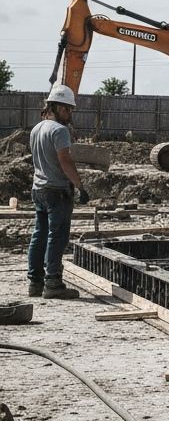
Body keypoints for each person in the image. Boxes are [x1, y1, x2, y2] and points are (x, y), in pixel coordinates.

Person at [27, 84, 88, 300]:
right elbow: (65, 161)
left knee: (40, 234)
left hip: (39, 189)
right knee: (57, 236)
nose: (70, 114)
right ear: (57, 107)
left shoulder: (37, 129)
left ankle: (35, 282)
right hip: (57, 191)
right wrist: (80, 186)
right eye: (67, 109)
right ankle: (53, 283)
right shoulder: (60, 131)